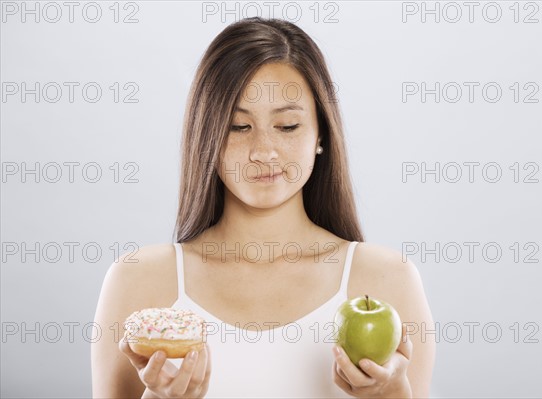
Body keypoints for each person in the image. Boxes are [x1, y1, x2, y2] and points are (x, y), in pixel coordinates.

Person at [91, 16, 435, 398]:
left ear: (321, 133)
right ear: (207, 136)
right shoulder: (138, 279)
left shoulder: (387, 279)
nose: (263, 152)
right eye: (239, 127)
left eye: (287, 126)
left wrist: (391, 393)